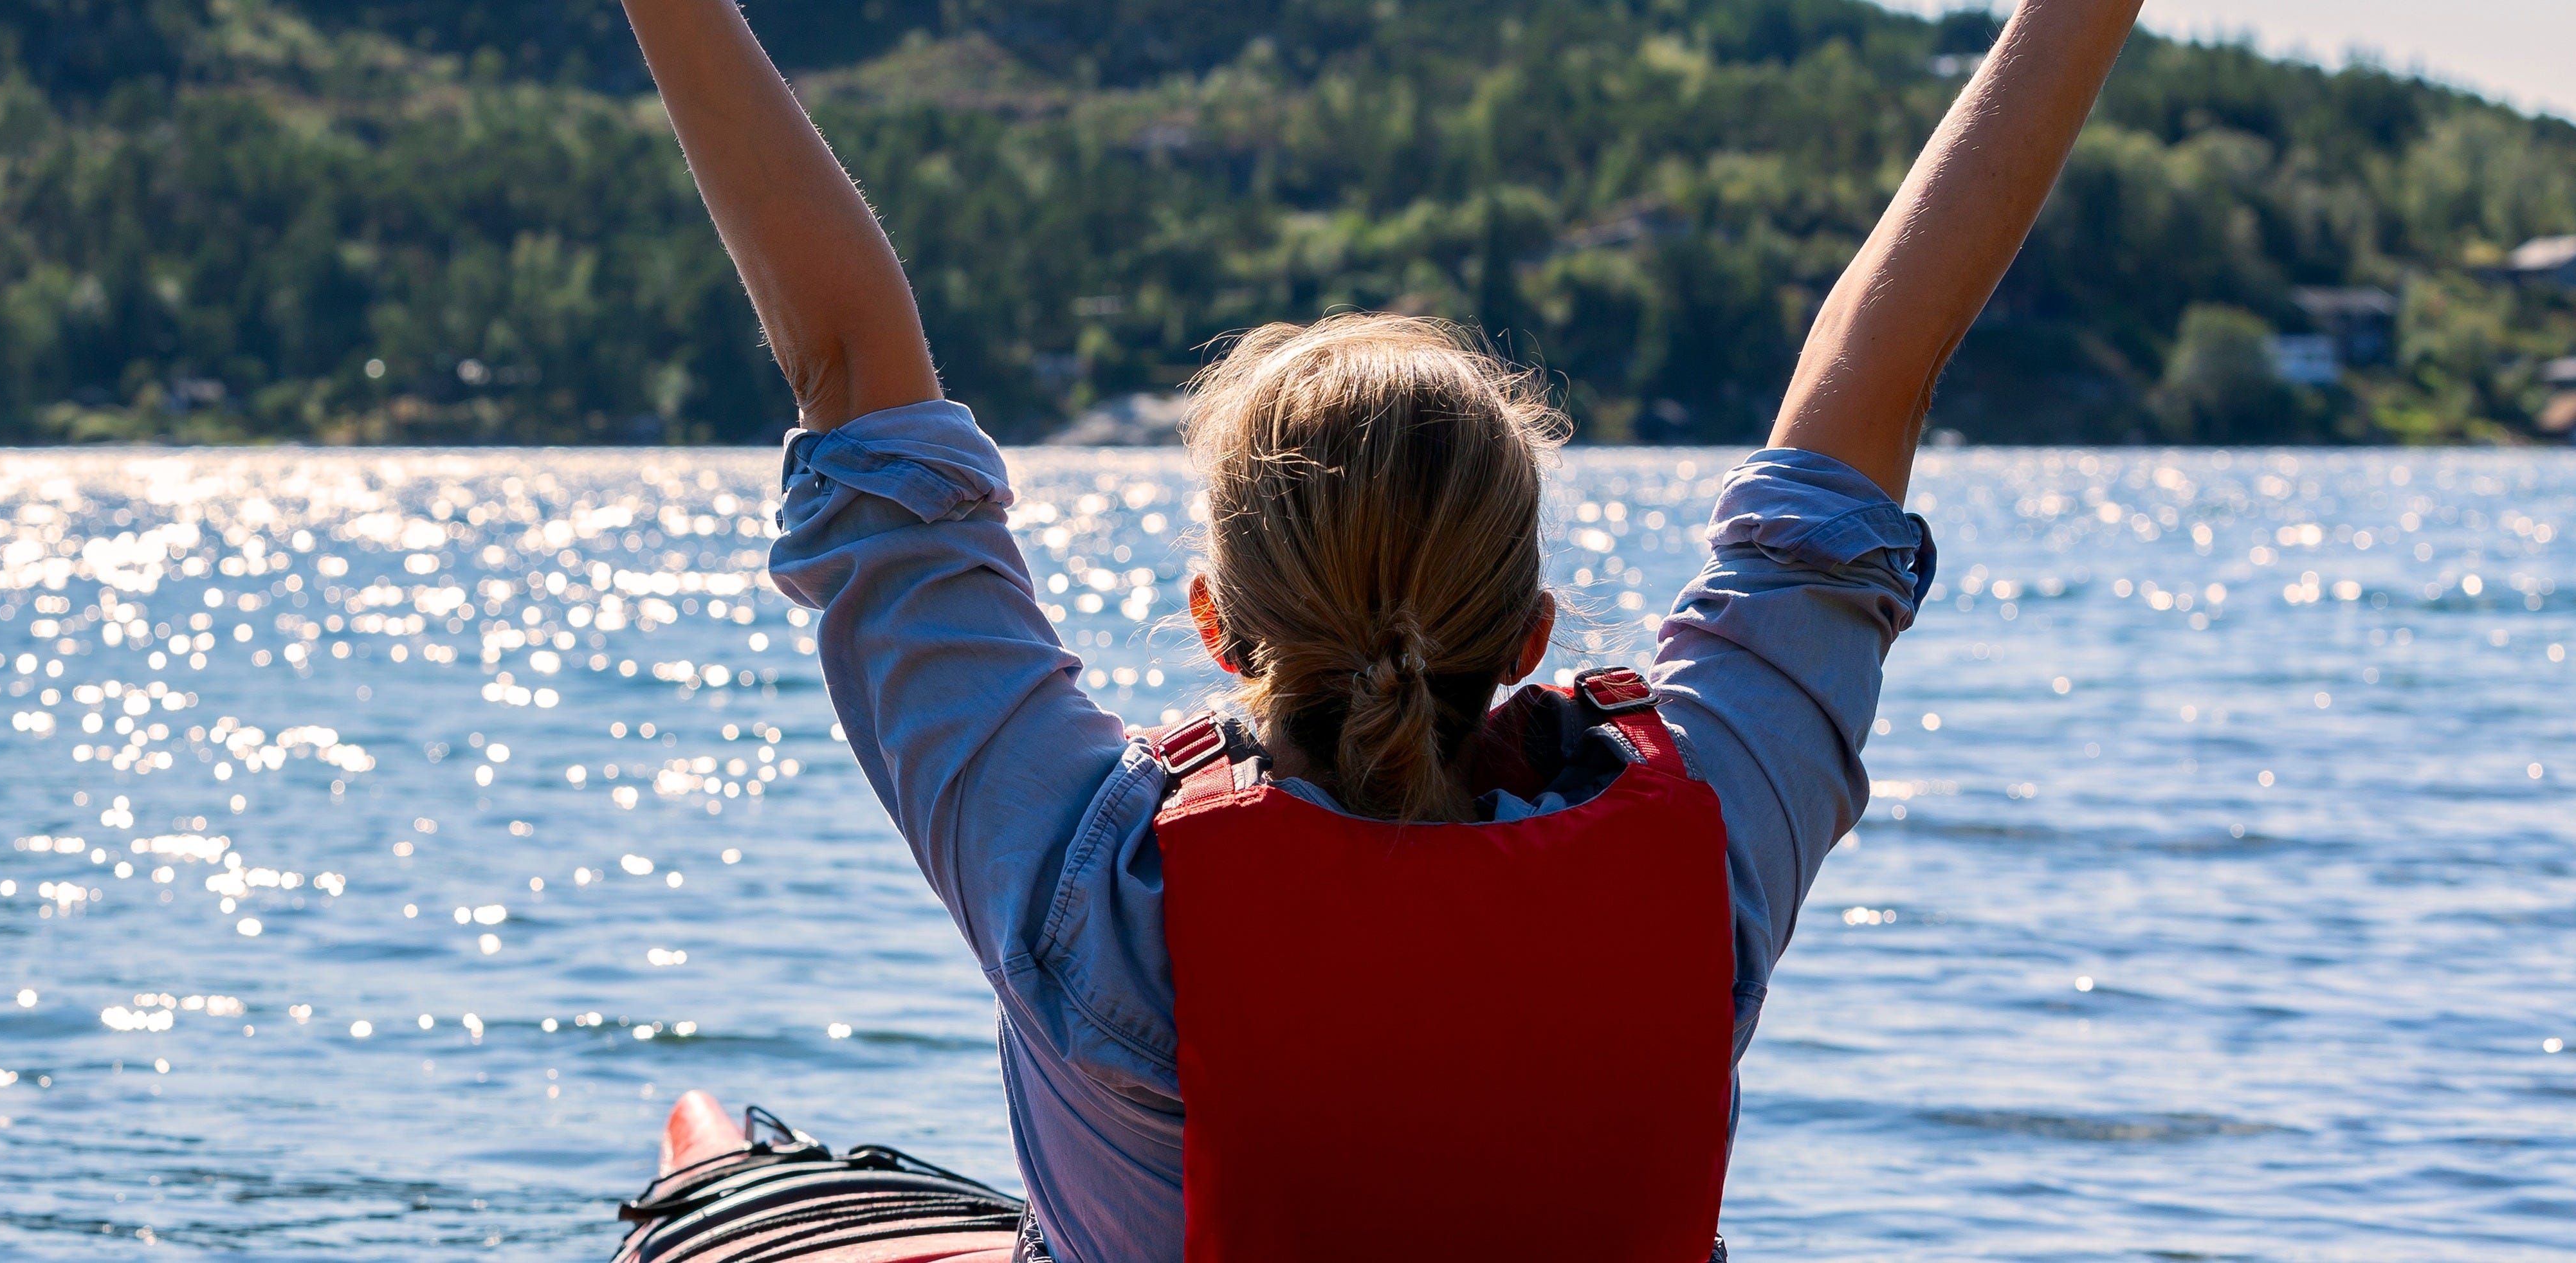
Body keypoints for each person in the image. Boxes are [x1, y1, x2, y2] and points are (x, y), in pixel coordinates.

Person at [605, 0, 2149, 1258]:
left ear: (1220, 624)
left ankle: (716, 1159)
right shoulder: (1711, 853)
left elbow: (849, 358)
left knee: (716, 1157)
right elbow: (1877, 378)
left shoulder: (1097, 882)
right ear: (1533, 631)